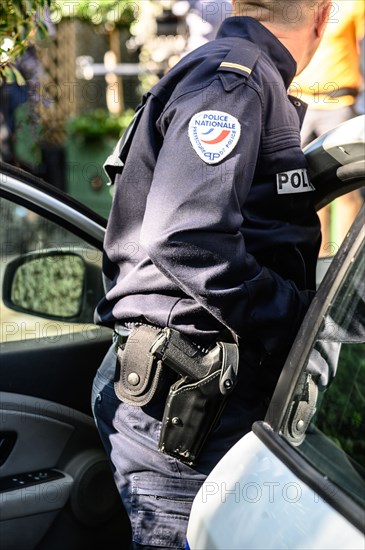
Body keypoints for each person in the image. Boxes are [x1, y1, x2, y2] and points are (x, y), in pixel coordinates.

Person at [92, 1, 332, 548]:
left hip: (179, 390)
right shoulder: (236, 80)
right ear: (323, 15)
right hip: (183, 410)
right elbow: (187, 237)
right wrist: (303, 321)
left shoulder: (231, 70)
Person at [293, 0, 365, 255]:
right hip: (299, 102)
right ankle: (319, 259)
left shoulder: (354, 5)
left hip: (338, 102)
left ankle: (343, 260)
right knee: (308, 189)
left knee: (346, 188)